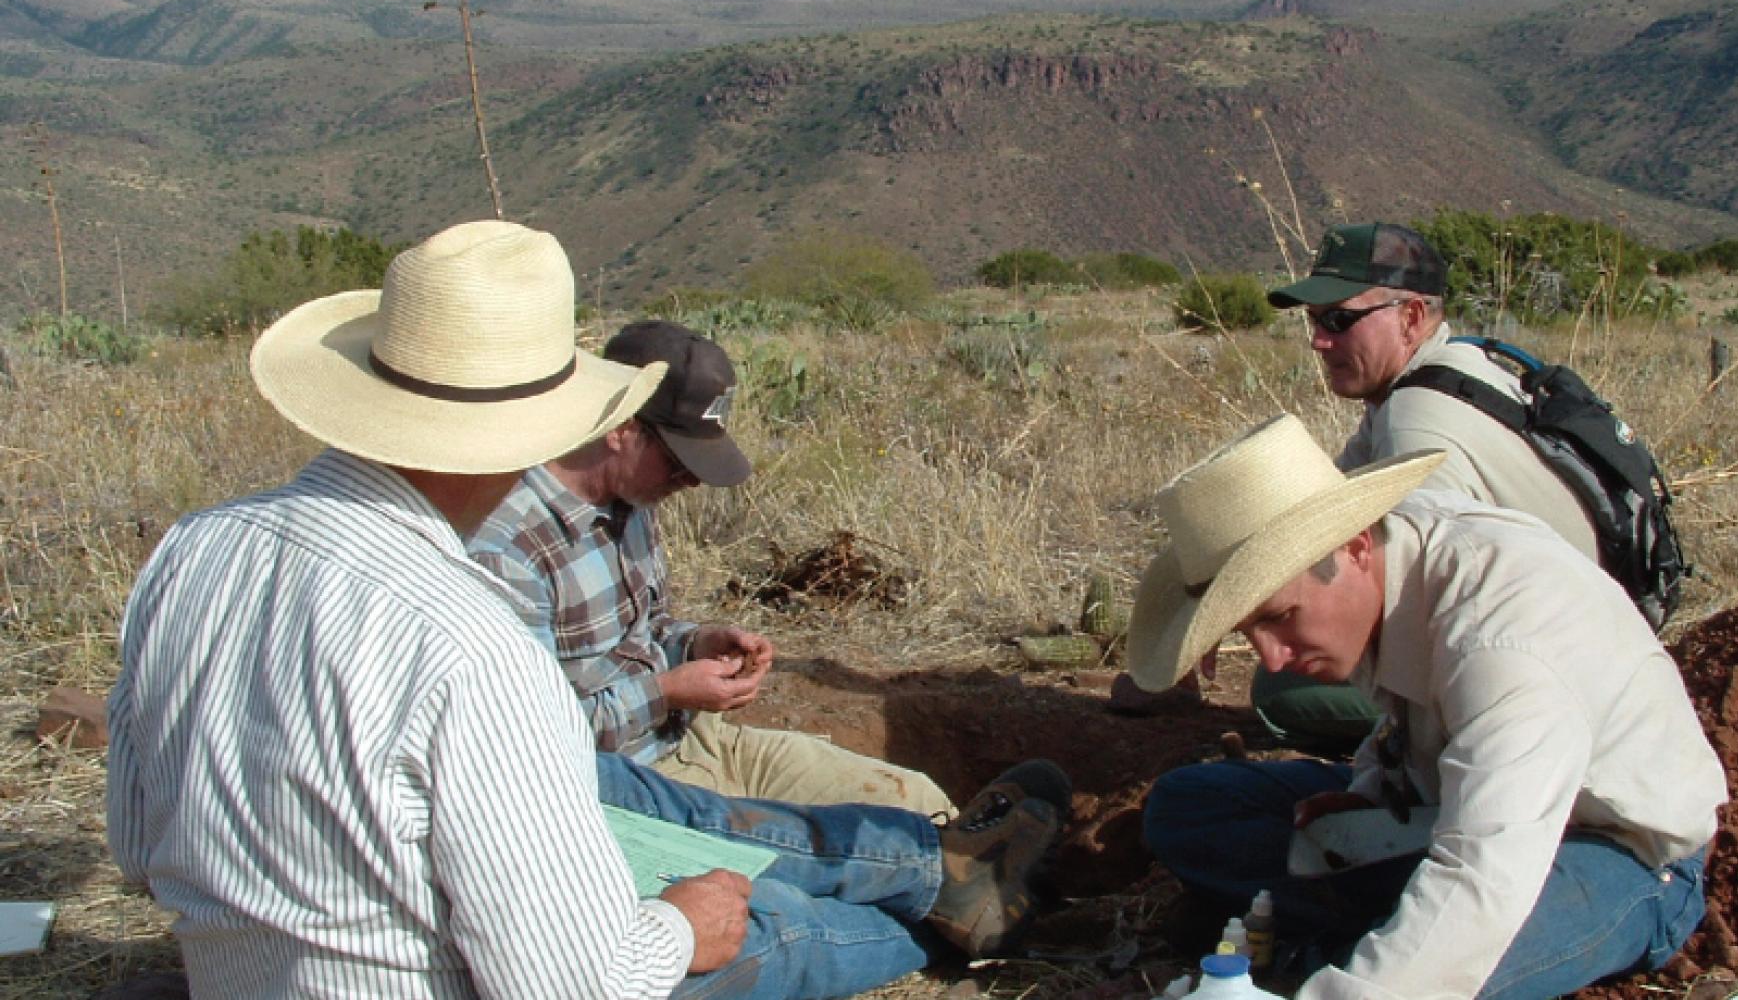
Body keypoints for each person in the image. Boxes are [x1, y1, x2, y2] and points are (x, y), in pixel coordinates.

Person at [107, 220, 1065, 999]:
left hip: (247, 973)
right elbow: (571, 981)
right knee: (761, 931)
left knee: (639, 815)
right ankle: (934, 917)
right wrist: (680, 927)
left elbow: (137, 845)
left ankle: (932, 878)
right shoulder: (466, 637)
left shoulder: (193, 552)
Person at [1130, 415, 1726, 1000]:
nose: (1273, 659)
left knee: (1467, 962)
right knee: (1190, 805)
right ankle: (1356, 931)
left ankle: (1335, 945)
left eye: (1279, 617)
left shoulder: (1505, 637)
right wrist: (1369, 788)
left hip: (1614, 851)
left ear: (1355, 546)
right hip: (1447, 805)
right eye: (1246, 630)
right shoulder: (1393, 557)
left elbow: (1483, 873)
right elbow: (1412, 726)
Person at [469, 320, 953, 815]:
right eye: (679, 461)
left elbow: (647, 631)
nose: (691, 481)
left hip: (698, 742)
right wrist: (665, 693)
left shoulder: (631, 503)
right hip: (622, 787)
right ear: (623, 428)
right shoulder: (509, 549)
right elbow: (525, 737)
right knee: (883, 862)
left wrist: (697, 642)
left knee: (922, 806)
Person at [1247, 222, 1603, 751]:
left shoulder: (1419, 420)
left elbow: (1423, 604)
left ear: (1410, 318)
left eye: (1340, 320)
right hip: (1578, 640)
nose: (1320, 341)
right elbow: (1323, 510)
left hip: (1552, 678)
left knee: (1281, 688)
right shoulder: (1445, 373)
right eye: (1315, 321)